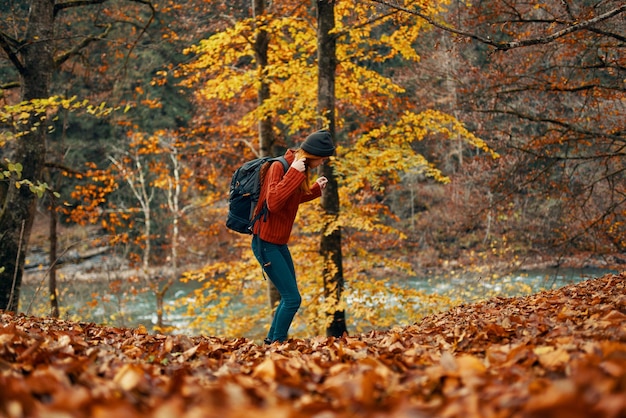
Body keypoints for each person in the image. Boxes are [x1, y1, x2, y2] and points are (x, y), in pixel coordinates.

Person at [251, 129, 335, 344]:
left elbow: (290, 199)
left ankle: (272, 342)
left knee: (290, 298)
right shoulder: (281, 166)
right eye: (322, 158)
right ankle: (275, 344)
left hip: (278, 243)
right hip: (265, 243)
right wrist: (294, 174)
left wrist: (315, 189)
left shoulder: (299, 168)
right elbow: (274, 203)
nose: (323, 162)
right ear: (313, 155)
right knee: (291, 299)